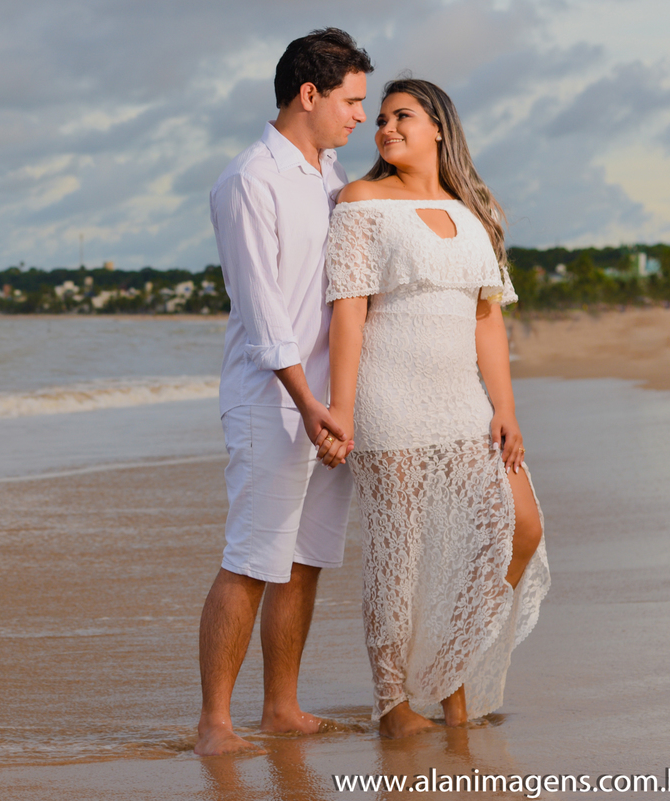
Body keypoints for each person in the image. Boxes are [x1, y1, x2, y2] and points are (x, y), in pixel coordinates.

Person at [318, 78, 550, 739]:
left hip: (464, 401)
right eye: (381, 118)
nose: (385, 127)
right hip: (387, 395)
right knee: (401, 554)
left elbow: (487, 322)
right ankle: (396, 704)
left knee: (518, 527)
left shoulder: (475, 214)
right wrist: (342, 407)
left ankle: (450, 670)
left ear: (439, 128)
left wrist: (505, 409)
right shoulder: (360, 201)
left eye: (402, 116)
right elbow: (349, 315)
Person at [195, 28, 373, 757]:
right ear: (309, 94)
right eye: (351, 100)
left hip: (330, 406)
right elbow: (264, 311)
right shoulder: (249, 180)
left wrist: (343, 407)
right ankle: (214, 723)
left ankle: (281, 708)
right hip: (275, 402)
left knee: (303, 559)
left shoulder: (328, 177)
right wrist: (310, 405)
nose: (360, 116)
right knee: (251, 557)